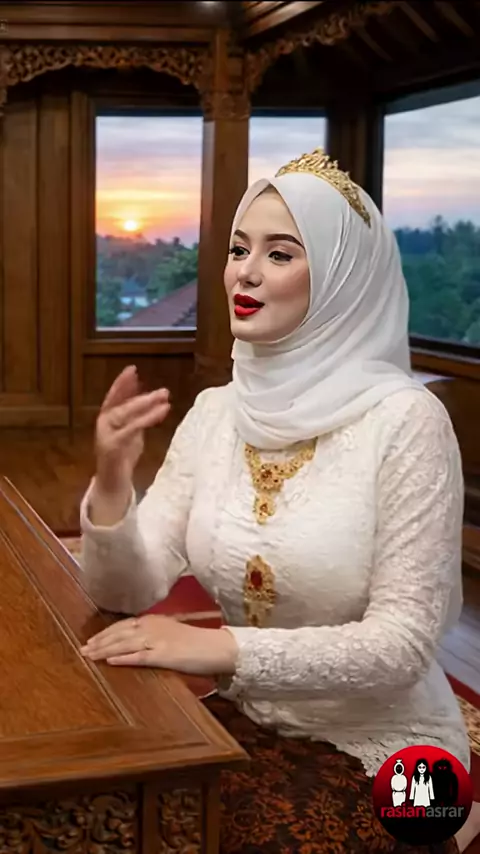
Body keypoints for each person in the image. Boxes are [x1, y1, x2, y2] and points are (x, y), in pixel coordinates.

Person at [79, 148, 478, 853]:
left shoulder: (406, 422)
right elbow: (128, 591)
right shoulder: (217, 411)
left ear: (343, 280)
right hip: (252, 716)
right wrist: (112, 482)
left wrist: (220, 647)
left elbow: (404, 645)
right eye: (239, 249)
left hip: (393, 748)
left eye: (281, 254)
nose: (246, 272)